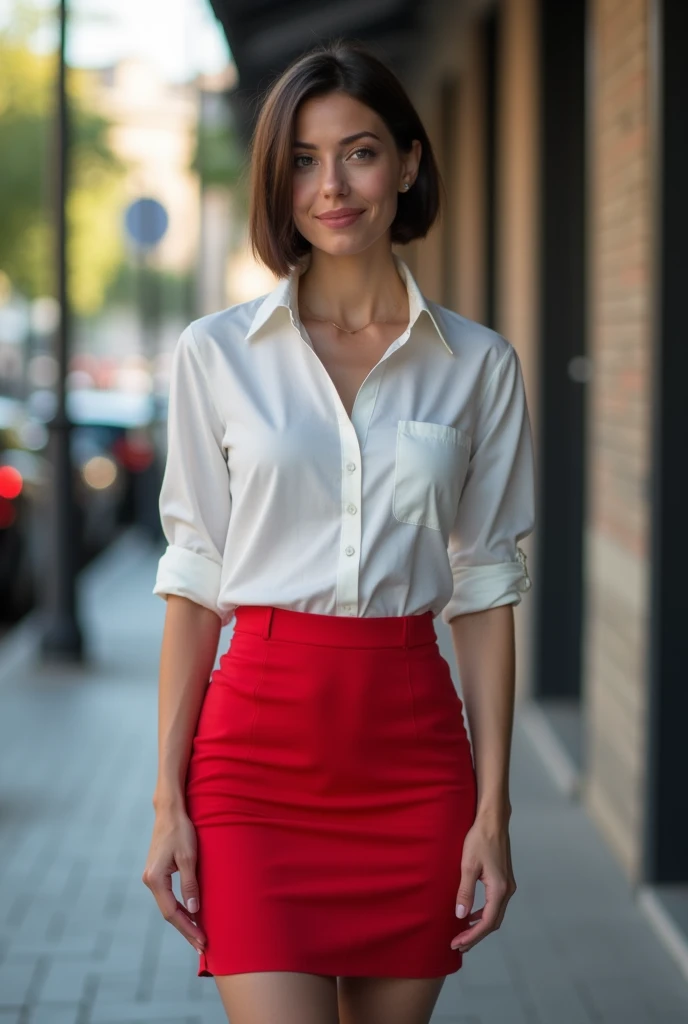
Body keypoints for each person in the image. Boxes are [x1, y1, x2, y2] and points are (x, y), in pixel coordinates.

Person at [142, 38, 535, 1024]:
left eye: (358, 153)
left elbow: (484, 592)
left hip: (411, 759)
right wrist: (165, 801)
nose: (333, 186)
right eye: (305, 162)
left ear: (407, 163)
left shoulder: (478, 366)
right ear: (279, 185)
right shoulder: (217, 355)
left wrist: (493, 811)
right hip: (254, 764)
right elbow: (193, 581)